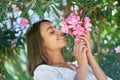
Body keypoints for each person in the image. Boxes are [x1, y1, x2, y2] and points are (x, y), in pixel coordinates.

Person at [26, 19, 112, 80]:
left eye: (56, 28)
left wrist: (88, 53)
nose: (60, 31)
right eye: (52, 32)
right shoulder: (43, 72)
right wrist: (82, 67)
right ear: (40, 44)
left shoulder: (78, 64)